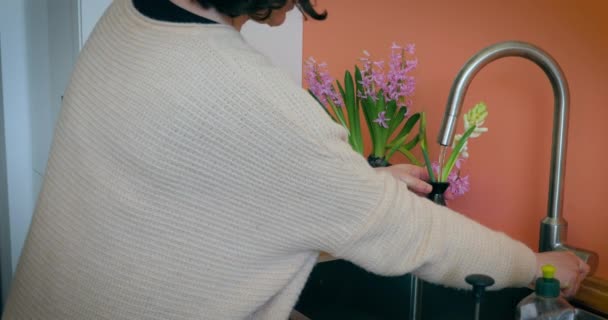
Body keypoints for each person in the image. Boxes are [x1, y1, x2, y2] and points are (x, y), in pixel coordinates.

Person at [2, 0, 589, 319]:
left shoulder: (129, 17)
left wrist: (354, 180)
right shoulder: (250, 96)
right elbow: (416, 238)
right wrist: (536, 264)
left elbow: (197, 178)